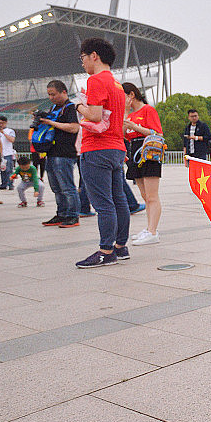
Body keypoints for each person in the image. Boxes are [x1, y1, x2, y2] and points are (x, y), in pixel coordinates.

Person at [74, 37, 130, 268]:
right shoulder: (117, 85)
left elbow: (95, 116)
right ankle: (120, 247)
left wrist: (77, 106)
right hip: (116, 148)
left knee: (104, 203)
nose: (83, 63)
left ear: (94, 56)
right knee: (119, 200)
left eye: (83, 58)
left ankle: (105, 251)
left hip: (97, 148)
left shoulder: (95, 80)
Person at [122, 82, 163, 245]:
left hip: (149, 152)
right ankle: (149, 228)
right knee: (145, 196)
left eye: (123, 97)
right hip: (135, 153)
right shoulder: (130, 115)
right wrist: (126, 115)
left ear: (131, 95)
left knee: (152, 196)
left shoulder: (148, 110)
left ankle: (153, 231)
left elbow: (158, 133)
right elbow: (122, 134)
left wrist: (136, 127)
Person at [40, 80, 81, 228]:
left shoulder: (70, 107)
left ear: (63, 92)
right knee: (56, 188)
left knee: (67, 187)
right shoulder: (53, 108)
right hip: (51, 152)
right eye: (49, 95)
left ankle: (73, 216)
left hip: (64, 153)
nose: (51, 97)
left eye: (53, 94)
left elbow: (74, 128)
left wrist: (51, 123)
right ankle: (61, 213)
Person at [0, 116, 16, 190]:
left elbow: (12, 140)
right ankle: (3, 184)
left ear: (5, 122)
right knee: (2, 170)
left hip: (7, 153)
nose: (0, 125)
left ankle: (10, 184)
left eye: (2, 123)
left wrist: (3, 133)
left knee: (9, 170)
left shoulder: (10, 131)